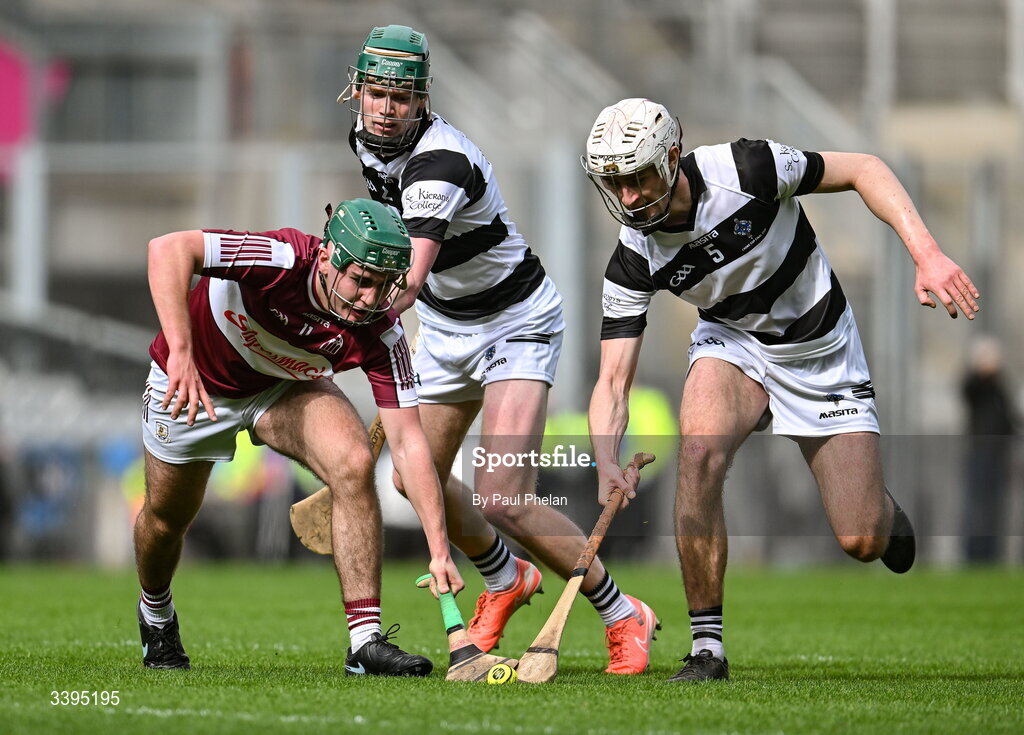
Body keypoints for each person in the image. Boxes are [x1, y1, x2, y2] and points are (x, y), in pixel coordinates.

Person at [583, 98, 980, 682]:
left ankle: (884, 512)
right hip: (732, 343)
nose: (630, 197)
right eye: (615, 184)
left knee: (861, 538)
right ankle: (706, 650)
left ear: (671, 158)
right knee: (697, 452)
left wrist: (927, 254)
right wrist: (604, 459)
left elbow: (864, 168)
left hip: (819, 347)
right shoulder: (633, 256)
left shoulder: (748, 170)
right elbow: (612, 380)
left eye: (639, 177)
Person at [339, 25, 657, 674]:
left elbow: (408, 279)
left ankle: (624, 612)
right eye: (377, 93)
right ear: (357, 92)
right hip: (447, 325)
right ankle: (505, 576)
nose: (388, 107)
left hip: (515, 321)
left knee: (502, 497)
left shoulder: (438, 165)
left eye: (402, 96)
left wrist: (348, 325)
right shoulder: (367, 144)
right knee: (409, 475)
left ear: (423, 99)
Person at [137, 197, 462, 676]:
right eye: (361, 281)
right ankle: (157, 615)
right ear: (329, 258)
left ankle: (365, 642)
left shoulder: (382, 333)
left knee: (354, 462)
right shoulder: (282, 259)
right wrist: (180, 351)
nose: (370, 300)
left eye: (383, 285)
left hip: (281, 388)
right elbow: (167, 249)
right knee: (166, 521)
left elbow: (409, 443)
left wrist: (439, 548)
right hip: (195, 382)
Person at [961, 336, 1017, 562]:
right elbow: (968, 387)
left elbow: (1008, 419)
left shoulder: (999, 388)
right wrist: (981, 370)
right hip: (980, 452)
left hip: (999, 454)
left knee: (995, 506)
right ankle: (975, 553)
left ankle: (992, 553)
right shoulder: (977, 385)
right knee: (977, 504)